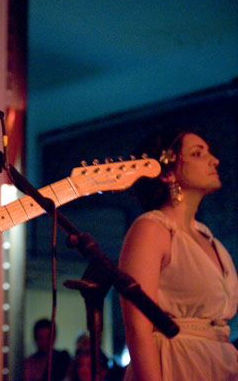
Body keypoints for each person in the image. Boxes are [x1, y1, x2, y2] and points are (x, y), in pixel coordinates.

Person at [118, 128, 238, 380]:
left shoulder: (208, 237)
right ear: (167, 174)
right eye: (197, 153)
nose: (214, 160)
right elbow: (138, 327)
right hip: (177, 363)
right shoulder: (151, 229)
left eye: (209, 152)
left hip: (219, 365)